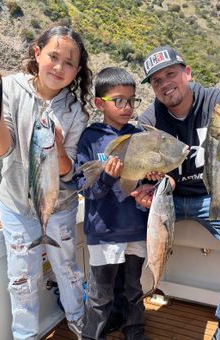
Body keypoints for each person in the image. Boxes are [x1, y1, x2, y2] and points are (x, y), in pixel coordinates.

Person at [131, 44, 220, 340]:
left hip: (215, 193)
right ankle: (126, 311)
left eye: (171, 74)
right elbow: (147, 173)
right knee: (117, 220)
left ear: (187, 73)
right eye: (156, 81)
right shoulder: (148, 121)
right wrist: (147, 182)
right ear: (153, 89)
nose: (165, 83)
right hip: (167, 197)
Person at [0, 25, 92, 340]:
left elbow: (69, 173)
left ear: (77, 71)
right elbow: (1, 149)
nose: (59, 67)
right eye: (53, 56)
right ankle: (25, 335)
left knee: (66, 269)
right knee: (21, 278)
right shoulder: (9, 88)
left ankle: (78, 320)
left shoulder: (76, 112)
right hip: (15, 205)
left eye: (69, 63)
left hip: (61, 204)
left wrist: (59, 148)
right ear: (37, 53)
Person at [74, 67, 149, 340]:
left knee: (133, 290)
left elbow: (143, 185)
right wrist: (106, 178)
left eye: (131, 100)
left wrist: (151, 180)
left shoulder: (141, 137)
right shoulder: (90, 138)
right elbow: (87, 190)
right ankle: (92, 335)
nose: (127, 107)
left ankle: (135, 332)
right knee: (99, 294)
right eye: (119, 100)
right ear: (99, 103)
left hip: (136, 230)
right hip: (103, 233)